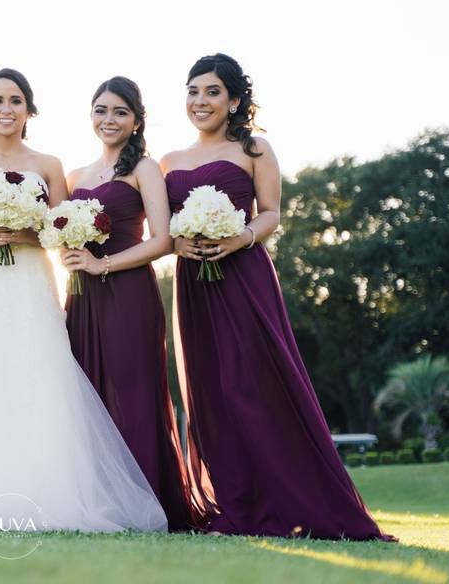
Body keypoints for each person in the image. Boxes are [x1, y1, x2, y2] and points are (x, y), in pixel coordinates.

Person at [0, 69, 166, 532]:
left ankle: (48, 490)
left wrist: (23, 230)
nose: (6, 109)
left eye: (16, 101)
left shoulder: (49, 164)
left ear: (29, 110)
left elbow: (59, 227)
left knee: (37, 372)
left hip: (30, 280)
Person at [161, 53, 391, 540]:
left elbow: (271, 213)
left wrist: (236, 237)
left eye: (212, 92)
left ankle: (294, 501)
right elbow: (162, 230)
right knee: (210, 392)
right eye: (193, 91)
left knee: (252, 386)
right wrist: (183, 243)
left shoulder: (254, 148)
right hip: (193, 283)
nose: (200, 102)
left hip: (243, 276)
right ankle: (235, 509)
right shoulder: (169, 161)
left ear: (234, 100)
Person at [63, 76, 206, 530]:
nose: (109, 119)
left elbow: (163, 240)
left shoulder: (143, 168)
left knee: (135, 393)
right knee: (89, 396)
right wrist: (69, 255)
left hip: (128, 294)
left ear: (136, 120)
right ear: (91, 116)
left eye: (120, 112)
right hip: (82, 299)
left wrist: (102, 266)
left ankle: (150, 503)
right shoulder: (73, 177)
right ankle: (100, 503)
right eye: (101, 110)